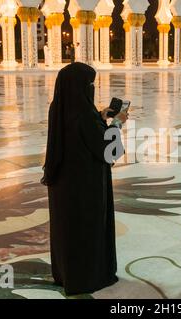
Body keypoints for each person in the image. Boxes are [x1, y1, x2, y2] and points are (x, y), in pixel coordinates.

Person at [41, 62, 128, 295]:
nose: (91, 88)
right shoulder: (83, 114)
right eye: (89, 84)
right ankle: (89, 277)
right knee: (87, 229)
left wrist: (101, 116)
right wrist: (117, 122)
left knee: (67, 229)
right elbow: (108, 149)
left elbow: (78, 133)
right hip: (86, 184)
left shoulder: (59, 106)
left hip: (62, 184)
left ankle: (65, 274)